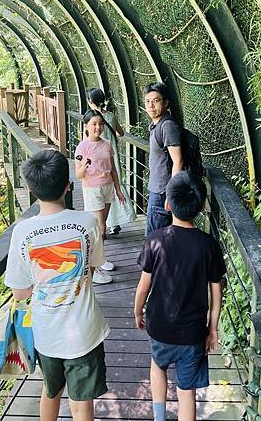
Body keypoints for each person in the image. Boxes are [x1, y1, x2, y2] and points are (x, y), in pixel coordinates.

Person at [4, 149, 109, 421]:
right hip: (84, 332)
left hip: (47, 335)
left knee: (50, 391)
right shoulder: (87, 222)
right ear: (68, 185)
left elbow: (20, 293)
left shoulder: (23, 232)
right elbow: (92, 267)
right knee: (82, 406)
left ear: (32, 190)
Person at [134, 171, 225, 421]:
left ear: (168, 205)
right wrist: (212, 328)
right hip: (192, 335)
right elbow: (216, 289)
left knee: (157, 367)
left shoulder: (155, 240)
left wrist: (137, 311)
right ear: (199, 209)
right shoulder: (207, 245)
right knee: (187, 394)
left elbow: (143, 286)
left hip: (160, 327)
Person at [75, 109, 125, 284]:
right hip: (92, 189)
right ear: (86, 126)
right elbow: (79, 175)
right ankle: (93, 269)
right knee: (101, 228)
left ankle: (100, 260)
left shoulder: (106, 144)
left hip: (107, 188)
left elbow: (112, 170)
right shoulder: (82, 147)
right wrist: (85, 165)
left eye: (100, 124)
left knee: (101, 229)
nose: (98, 127)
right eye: (94, 124)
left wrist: (118, 190)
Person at [86, 88, 135, 235]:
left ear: (90, 102)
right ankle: (115, 223)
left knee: (100, 189)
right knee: (114, 187)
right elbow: (120, 133)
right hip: (112, 157)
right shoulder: (111, 116)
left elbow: (86, 140)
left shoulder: (90, 119)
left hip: (97, 159)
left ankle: (103, 226)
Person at [143, 82, 183, 235]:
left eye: (156, 100)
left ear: (166, 102)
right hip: (157, 189)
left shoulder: (167, 126)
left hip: (162, 192)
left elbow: (178, 161)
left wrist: (170, 193)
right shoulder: (157, 125)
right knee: (159, 238)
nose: (151, 105)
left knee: (154, 239)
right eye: (147, 101)